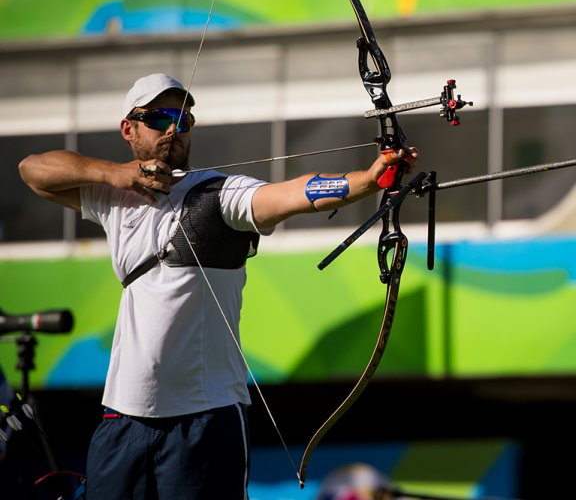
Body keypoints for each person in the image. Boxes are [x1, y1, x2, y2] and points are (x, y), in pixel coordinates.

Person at [18, 73, 418, 499]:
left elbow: (292, 194)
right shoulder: (113, 196)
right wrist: (115, 174)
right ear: (128, 129)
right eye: (159, 117)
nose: (174, 128)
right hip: (124, 417)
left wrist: (367, 181)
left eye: (184, 120)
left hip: (204, 421)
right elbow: (33, 170)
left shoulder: (219, 195)